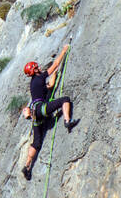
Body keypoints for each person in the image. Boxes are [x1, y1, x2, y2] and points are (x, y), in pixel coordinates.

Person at [20, 44, 78, 180]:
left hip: (36, 115)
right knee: (65, 99)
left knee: (37, 142)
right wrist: (64, 50)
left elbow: (50, 85)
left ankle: (27, 166)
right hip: (41, 109)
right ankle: (67, 121)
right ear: (34, 71)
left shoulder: (34, 83)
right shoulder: (39, 77)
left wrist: (56, 73)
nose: (39, 68)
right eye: (36, 67)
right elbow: (55, 64)